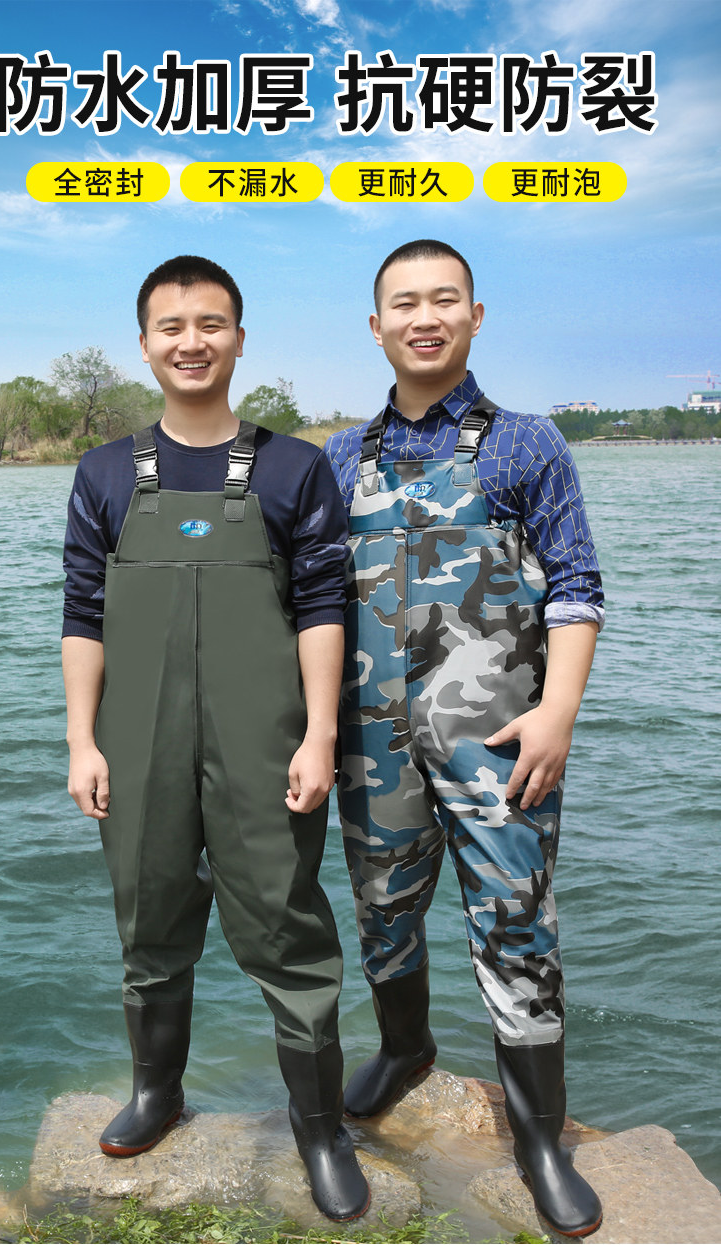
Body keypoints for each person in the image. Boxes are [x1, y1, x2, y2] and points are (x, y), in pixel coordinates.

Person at [61, 255, 369, 1222]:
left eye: (211, 324)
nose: (191, 342)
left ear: (239, 338)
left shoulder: (294, 467)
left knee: (287, 923)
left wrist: (320, 735)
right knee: (148, 915)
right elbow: (82, 613)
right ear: (145, 343)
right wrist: (82, 740)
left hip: (265, 737)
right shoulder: (104, 473)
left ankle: (320, 1128)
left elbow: (323, 605)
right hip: (137, 737)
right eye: (172, 326)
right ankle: (158, 1092)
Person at [324, 240, 604, 1238]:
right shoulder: (337, 458)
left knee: (515, 918)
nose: (424, 317)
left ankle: (537, 1137)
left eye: (444, 299)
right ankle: (406, 1050)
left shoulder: (527, 444)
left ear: (474, 316)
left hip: (501, 737)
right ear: (377, 327)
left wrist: (559, 711)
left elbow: (577, 586)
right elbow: (307, 605)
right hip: (370, 740)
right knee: (382, 909)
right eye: (404, 303)